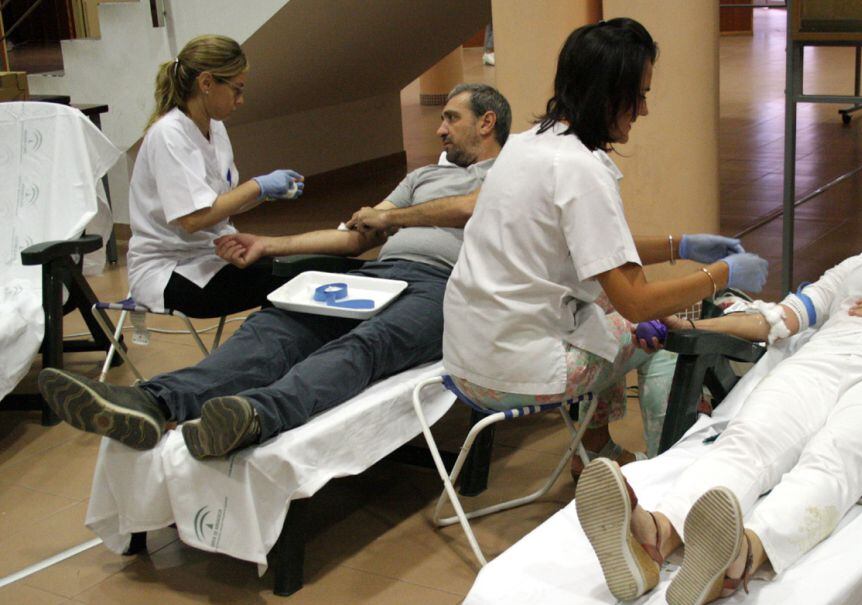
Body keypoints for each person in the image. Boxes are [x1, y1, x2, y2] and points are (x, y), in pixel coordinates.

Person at [574, 176, 862, 604]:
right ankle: (654, 535)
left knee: (834, 456)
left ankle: (740, 555)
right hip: (822, 359)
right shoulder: (860, 267)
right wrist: (691, 326)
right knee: (748, 442)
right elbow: (780, 318)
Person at [38, 83, 510, 459]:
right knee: (279, 322)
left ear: (487, 122)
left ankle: (254, 417)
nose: (440, 130)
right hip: (381, 272)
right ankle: (153, 402)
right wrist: (268, 245)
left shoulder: (511, 173)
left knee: (367, 344)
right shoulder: (423, 177)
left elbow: (470, 208)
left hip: (445, 288)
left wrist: (393, 218)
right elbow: (355, 235)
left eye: (451, 118)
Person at [442, 19, 769, 474]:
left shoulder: (523, 146)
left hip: (464, 356)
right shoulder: (580, 170)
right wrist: (723, 275)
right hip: (514, 370)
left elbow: (594, 248)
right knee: (666, 339)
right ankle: (667, 479)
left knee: (606, 319)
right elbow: (634, 302)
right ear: (607, 94)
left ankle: (597, 454)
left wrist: (682, 246)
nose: (644, 111)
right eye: (641, 96)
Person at [128, 34, 304, 318]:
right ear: (206, 83)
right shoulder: (168, 135)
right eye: (237, 90)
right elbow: (193, 219)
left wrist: (267, 195)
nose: (241, 100)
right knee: (289, 282)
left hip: (212, 252)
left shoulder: (214, 128)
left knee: (297, 270)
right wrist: (257, 186)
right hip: (169, 271)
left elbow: (222, 202)